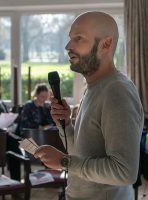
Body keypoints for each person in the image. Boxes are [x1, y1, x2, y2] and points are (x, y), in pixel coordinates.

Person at [34, 11, 144, 200]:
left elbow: (124, 172)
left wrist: (63, 161)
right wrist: (66, 124)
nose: (68, 46)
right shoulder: (94, 87)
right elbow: (83, 153)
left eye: (79, 39)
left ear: (106, 44)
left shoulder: (117, 91)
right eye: (70, 39)